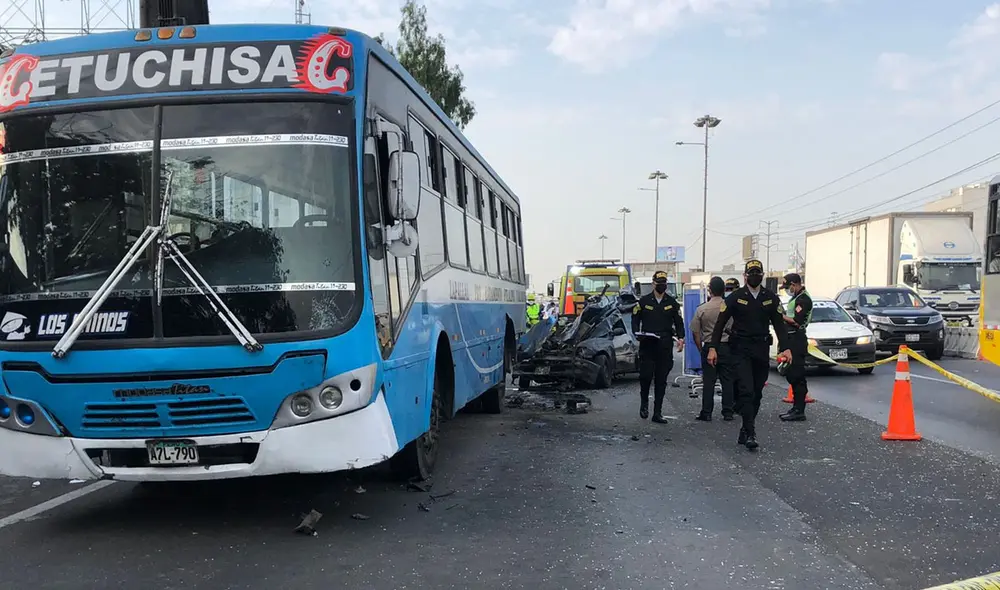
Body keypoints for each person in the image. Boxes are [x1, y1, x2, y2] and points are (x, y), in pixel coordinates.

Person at [707, 259, 791, 450]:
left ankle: (745, 428)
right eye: (751, 273)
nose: (754, 276)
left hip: (761, 349)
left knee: (758, 393)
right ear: (745, 276)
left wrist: (785, 347)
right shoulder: (735, 297)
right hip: (741, 350)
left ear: (762, 275)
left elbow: (779, 324)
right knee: (746, 390)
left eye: (757, 273)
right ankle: (751, 432)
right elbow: (720, 324)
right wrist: (713, 348)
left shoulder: (769, 297)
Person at [631, 270, 685, 423]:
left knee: (661, 380)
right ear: (653, 284)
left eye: (664, 283)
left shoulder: (671, 302)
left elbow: (678, 322)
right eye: (659, 283)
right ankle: (644, 405)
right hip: (648, 343)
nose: (662, 285)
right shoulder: (644, 301)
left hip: (665, 345)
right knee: (646, 377)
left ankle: (657, 413)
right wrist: (636, 333)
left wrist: (681, 338)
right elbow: (635, 318)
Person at [690, 276, 735, 421]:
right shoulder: (730, 307)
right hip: (726, 347)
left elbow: (695, 332)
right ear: (724, 290)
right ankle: (728, 412)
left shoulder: (702, 309)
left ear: (709, 290)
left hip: (709, 347)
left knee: (708, 382)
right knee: (727, 380)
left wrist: (701, 349)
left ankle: (706, 412)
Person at [779, 273, 812, 422]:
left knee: (797, 375)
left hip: (797, 339)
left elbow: (797, 322)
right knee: (790, 373)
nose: (787, 290)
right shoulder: (796, 298)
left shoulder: (803, 299)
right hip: (791, 338)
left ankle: (799, 410)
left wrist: (780, 316)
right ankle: (796, 407)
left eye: (788, 287)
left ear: (794, 284)